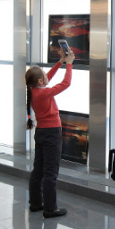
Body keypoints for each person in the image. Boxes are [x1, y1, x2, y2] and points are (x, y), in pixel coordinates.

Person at [25, 47, 75, 218]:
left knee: (38, 170)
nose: (47, 77)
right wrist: (69, 65)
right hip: (52, 134)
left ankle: (36, 204)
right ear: (39, 81)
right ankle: (50, 209)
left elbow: (48, 78)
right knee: (50, 173)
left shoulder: (34, 91)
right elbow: (65, 84)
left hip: (41, 133)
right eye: (44, 76)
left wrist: (60, 62)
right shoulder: (43, 94)